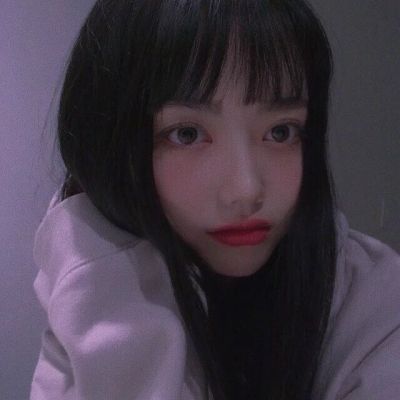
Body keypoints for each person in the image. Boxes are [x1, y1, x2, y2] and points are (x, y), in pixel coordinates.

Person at [30, 0, 400, 399]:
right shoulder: (95, 291)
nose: (246, 190)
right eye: (186, 134)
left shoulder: (372, 298)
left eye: (281, 132)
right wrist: (106, 285)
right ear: (111, 143)